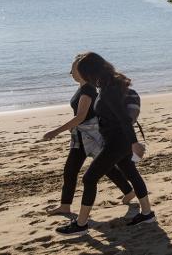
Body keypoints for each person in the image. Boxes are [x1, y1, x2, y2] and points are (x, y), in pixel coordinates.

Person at [55, 52, 155, 237]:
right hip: (116, 140)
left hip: (117, 142)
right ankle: (147, 213)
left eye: (81, 71)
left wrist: (134, 143)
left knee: (89, 178)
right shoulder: (109, 84)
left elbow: (124, 119)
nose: (80, 75)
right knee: (131, 173)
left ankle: (81, 224)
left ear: (90, 72)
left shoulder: (109, 90)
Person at [42, 54, 137, 216]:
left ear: (81, 70)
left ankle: (129, 190)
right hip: (81, 137)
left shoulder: (87, 90)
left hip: (90, 137)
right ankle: (66, 205)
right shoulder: (84, 88)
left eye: (73, 70)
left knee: (98, 168)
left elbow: (80, 116)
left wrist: (55, 131)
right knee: (75, 170)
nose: (70, 73)